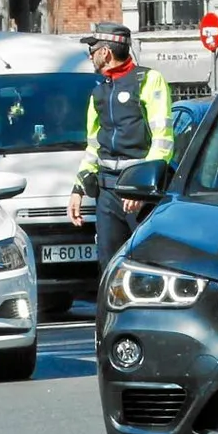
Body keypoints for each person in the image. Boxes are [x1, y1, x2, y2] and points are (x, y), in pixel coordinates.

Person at [67, 23, 173, 272]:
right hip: (107, 192)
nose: (90, 56)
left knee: (149, 265)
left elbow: (163, 140)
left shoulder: (148, 80)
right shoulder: (99, 93)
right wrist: (78, 189)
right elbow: (93, 146)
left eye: (92, 50)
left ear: (105, 52)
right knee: (110, 266)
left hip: (140, 195)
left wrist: (140, 189)